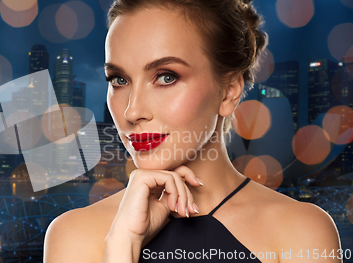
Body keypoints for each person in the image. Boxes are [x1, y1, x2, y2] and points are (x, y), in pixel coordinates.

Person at [44, 0, 342, 262]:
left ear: (229, 91)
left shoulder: (302, 232)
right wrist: (122, 245)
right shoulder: (74, 235)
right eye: (119, 80)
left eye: (166, 77)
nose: (132, 111)